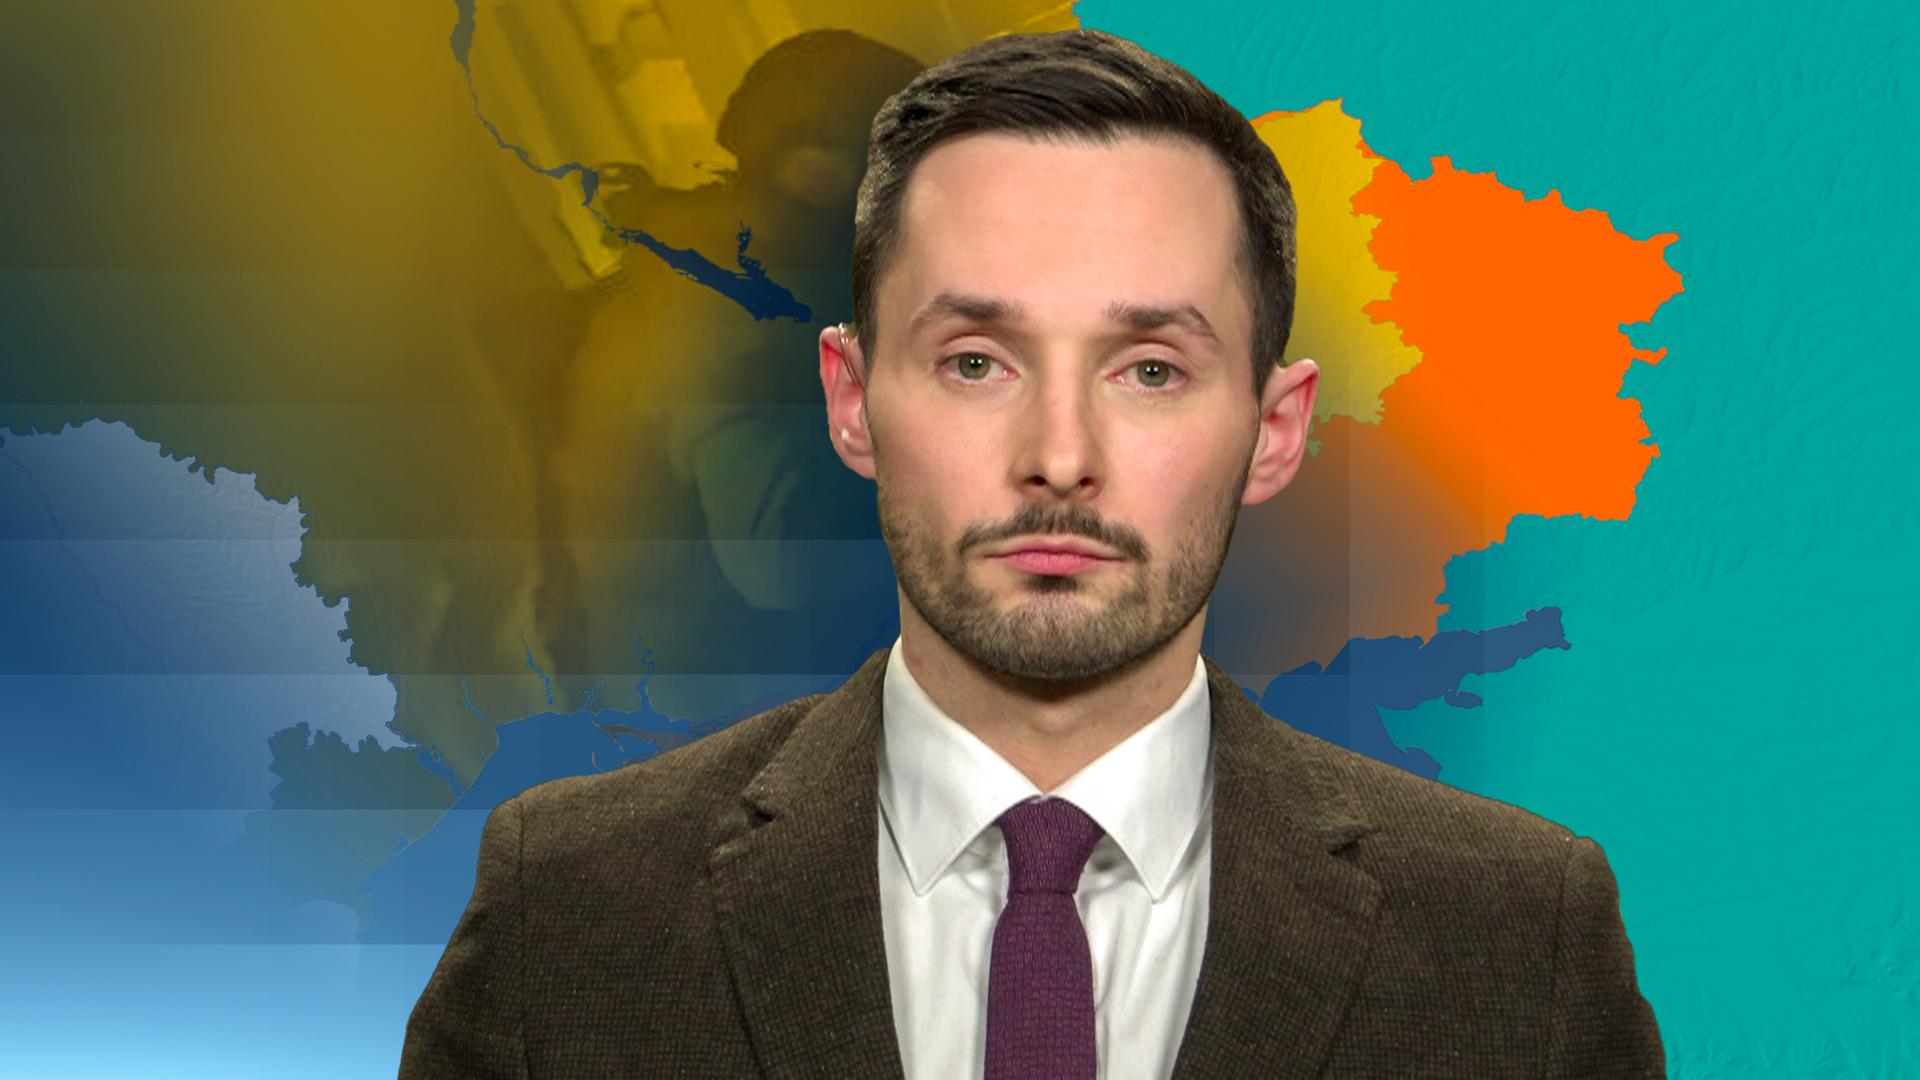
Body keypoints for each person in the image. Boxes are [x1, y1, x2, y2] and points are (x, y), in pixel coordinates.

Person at [399, 27, 1664, 1079]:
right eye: (976, 362)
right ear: (851, 400)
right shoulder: (567, 911)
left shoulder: (1521, 940)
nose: (1060, 455)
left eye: (1151, 370)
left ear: (1275, 431)